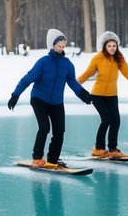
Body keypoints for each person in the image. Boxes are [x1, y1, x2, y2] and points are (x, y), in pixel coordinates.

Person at [8, 28, 93, 168]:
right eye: (59, 45)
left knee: (60, 131)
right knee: (44, 127)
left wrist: (84, 95)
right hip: (39, 99)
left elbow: (73, 82)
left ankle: (53, 159)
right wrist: (15, 95)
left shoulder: (67, 64)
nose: (61, 48)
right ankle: (37, 158)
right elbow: (27, 79)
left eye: (63, 46)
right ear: (52, 45)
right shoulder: (43, 62)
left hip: (56, 102)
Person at [77, 31, 128, 159]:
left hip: (112, 95)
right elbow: (86, 75)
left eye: (114, 45)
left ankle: (112, 149)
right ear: (104, 46)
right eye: (109, 46)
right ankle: (99, 149)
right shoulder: (97, 58)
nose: (112, 48)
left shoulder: (119, 58)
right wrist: (73, 85)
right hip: (97, 95)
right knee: (106, 120)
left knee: (116, 121)